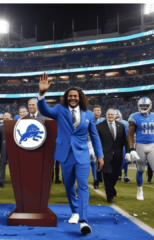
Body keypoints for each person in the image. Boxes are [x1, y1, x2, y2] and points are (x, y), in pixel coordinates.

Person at [37, 73, 104, 236]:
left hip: (82, 155)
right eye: (70, 96)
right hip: (65, 155)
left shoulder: (88, 114)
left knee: (82, 186)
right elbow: (44, 110)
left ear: (80, 98)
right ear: (66, 98)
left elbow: (94, 136)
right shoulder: (59, 110)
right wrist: (41, 94)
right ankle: (74, 211)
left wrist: (100, 155)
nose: (72, 98)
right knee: (68, 186)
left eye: (75, 96)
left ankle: (83, 221)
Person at [128, 97, 154, 204]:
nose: (144, 108)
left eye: (146, 106)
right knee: (140, 170)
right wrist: (131, 149)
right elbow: (131, 134)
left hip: (153, 145)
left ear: (150, 106)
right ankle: (140, 191)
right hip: (140, 146)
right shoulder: (134, 116)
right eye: (142, 106)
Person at [96, 109, 130, 203]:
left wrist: (128, 151)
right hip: (104, 155)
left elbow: (125, 140)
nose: (110, 116)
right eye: (108, 114)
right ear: (106, 115)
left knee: (115, 175)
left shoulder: (121, 126)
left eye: (112, 114)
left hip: (118, 155)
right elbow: (97, 142)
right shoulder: (99, 126)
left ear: (115, 116)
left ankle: (111, 188)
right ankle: (109, 195)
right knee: (106, 173)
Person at [0, 112, 11, 188]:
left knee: (14, 166)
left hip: (13, 149)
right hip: (3, 149)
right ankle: (1, 182)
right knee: (1, 165)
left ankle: (16, 181)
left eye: (8, 116)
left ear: (11, 118)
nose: (7, 117)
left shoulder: (15, 126)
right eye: (5, 116)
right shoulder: (0, 128)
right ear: (3, 118)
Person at [91, 105, 105, 189]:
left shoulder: (104, 120)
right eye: (95, 110)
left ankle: (101, 179)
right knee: (93, 162)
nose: (97, 112)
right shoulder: (90, 120)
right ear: (92, 112)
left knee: (101, 163)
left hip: (102, 145)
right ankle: (95, 180)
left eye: (99, 110)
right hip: (91, 144)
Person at [115, 110, 131, 183]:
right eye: (116, 116)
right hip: (113, 144)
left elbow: (127, 136)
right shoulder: (109, 123)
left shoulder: (125, 123)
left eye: (118, 116)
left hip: (122, 143)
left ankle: (125, 175)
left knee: (125, 160)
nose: (116, 118)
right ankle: (118, 175)